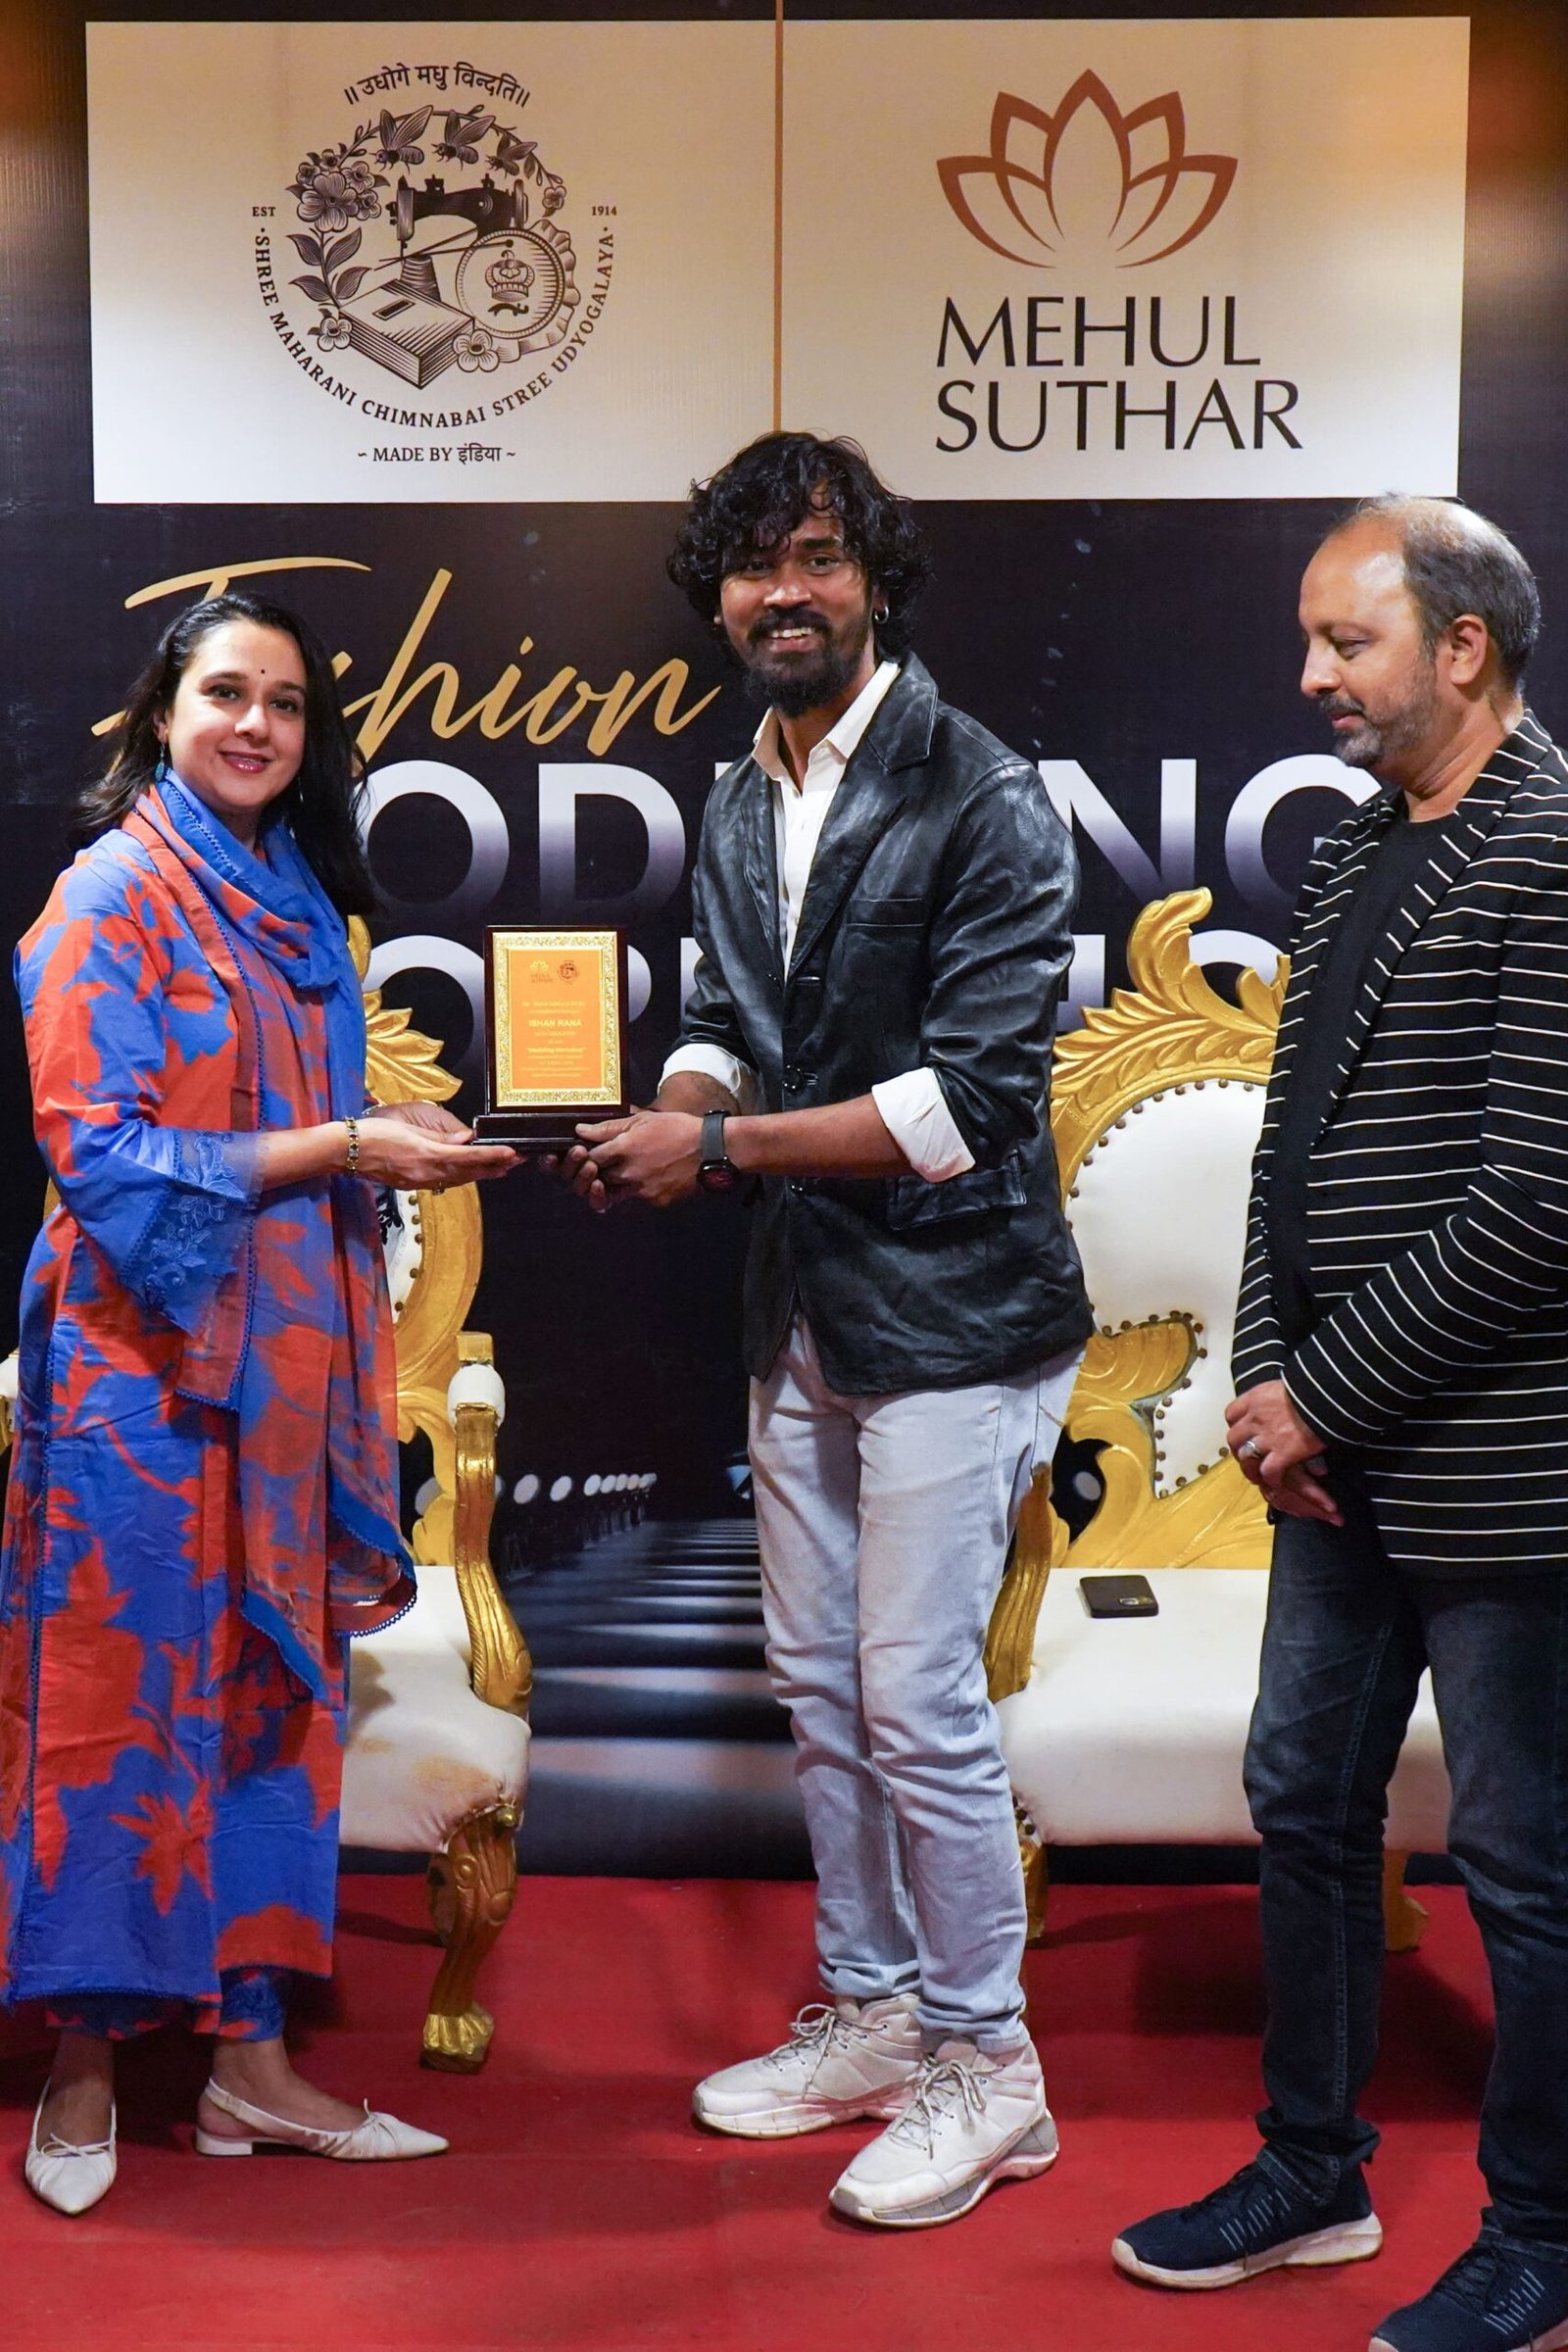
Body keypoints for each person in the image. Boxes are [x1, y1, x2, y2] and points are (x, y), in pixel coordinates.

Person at [564, 431, 1092, 2230]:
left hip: (959, 1314)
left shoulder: (984, 792)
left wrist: (714, 1150)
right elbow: (721, 1015)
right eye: (754, 565)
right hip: (803, 1308)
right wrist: (678, 1107)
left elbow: (973, 1106)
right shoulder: (736, 794)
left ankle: (991, 2067)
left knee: (919, 1701)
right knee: (820, 1688)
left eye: (817, 560)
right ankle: (876, 2012)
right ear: (716, 597)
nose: (784, 594)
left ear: (876, 582)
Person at [1112, 498, 1568, 2352]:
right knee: (1301, 1799)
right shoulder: (1357, 848)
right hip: (1330, 1467)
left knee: (1525, 1871)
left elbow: (1535, 1201)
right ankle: (1313, 2167)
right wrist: (1268, 1382)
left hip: (1503, 1471)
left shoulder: (1554, 850)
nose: (1311, 674)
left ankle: (1542, 2239)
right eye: (1312, 640)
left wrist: (1325, 1393)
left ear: (1463, 646)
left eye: (1346, 640)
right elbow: (1289, 1160)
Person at [0, 591, 516, 2215]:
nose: (256, 726)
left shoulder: (292, 892)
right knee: (119, 1700)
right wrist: (353, 1145)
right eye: (227, 693)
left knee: (265, 1697)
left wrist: (376, 1145)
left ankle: (250, 2063)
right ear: (165, 710)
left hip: (283, 1364)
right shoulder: (107, 895)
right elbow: (98, 1149)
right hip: (137, 1372)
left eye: (286, 704)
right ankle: (82, 2067)